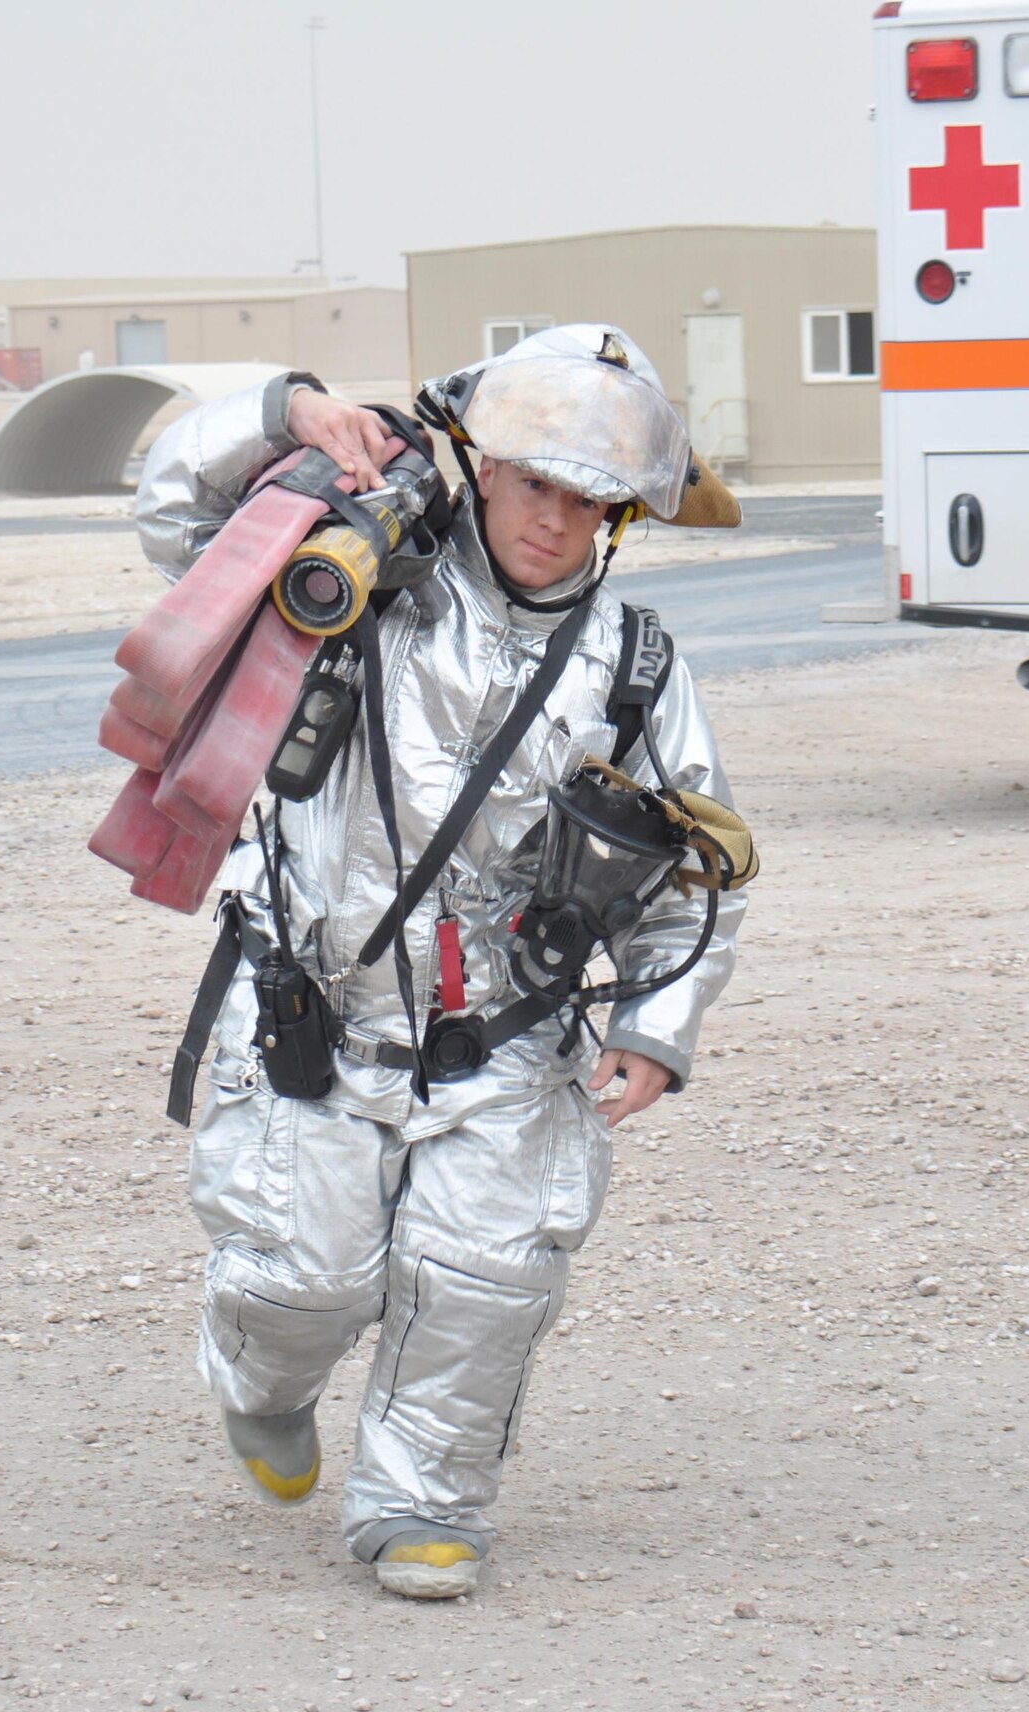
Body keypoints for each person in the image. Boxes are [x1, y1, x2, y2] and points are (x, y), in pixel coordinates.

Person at [135, 325, 750, 1596]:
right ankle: (264, 1379)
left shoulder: (634, 666)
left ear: (623, 515)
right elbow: (170, 502)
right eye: (536, 483)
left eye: (591, 500)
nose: (557, 520)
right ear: (482, 466)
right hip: (310, 1007)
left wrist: (653, 1024)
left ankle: (421, 1502)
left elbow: (692, 864)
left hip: (508, 1035)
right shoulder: (347, 576)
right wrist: (287, 412)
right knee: (300, 1277)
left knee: (485, 1279)